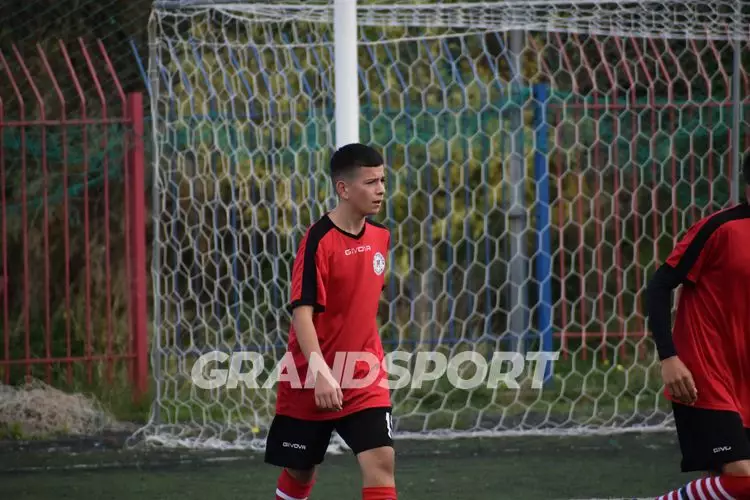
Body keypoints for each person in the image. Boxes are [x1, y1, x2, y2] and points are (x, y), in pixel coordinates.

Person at [264, 143, 397, 500]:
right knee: (300, 469)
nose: (380, 189)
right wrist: (321, 372)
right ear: (343, 188)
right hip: (310, 377)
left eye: (382, 180)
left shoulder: (381, 236)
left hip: (363, 373)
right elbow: (301, 313)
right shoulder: (318, 241)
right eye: (370, 182)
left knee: (381, 460)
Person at [646, 154, 750, 499]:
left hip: (745, 379)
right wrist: (669, 358)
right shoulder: (720, 229)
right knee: (742, 481)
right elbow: (659, 286)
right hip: (704, 374)